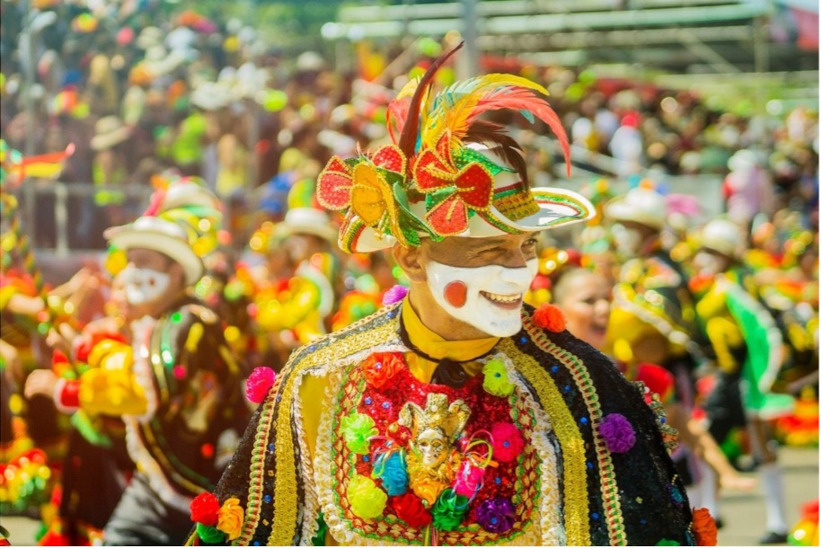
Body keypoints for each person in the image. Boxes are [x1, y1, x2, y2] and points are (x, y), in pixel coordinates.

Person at [186, 48, 714, 546]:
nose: (517, 272)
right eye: (488, 251)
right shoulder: (319, 379)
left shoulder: (581, 384)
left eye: (525, 246)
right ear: (412, 259)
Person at [25, 177, 251, 545]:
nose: (131, 273)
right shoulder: (164, 321)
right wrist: (81, 347)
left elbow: (146, 392)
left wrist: (67, 390)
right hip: (162, 481)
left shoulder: (187, 321)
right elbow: (133, 366)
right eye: (130, 261)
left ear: (175, 272)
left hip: (201, 487)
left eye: (144, 262)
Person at [548, 261, 756, 505]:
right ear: (556, 309)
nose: (604, 307)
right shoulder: (538, 375)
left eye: (607, 298)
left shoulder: (634, 375)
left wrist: (725, 471)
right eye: (589, 301)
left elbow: (681, 419)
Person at [690, 218, 795, 544]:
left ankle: (776, 522)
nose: (704, 256)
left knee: (738, 443)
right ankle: (710, 514)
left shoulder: (733, 285)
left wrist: (763, 379)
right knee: (709, 443)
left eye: (711, 251)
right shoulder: (724, 282)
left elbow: (760, 332)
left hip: (741, 378)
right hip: (727, 375)